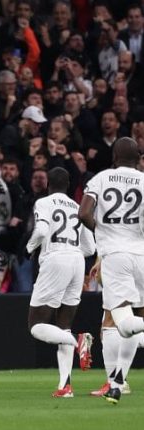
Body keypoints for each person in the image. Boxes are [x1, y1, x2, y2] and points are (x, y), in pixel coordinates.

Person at [79, 137, 144, 404]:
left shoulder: (101, 178)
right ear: (138, 158)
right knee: (131, 322)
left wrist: (104, 233)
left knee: (123, 323)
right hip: (141, 255)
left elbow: (83, 213)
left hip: (116, 257)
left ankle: (116, 381)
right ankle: (117, 383)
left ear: (114, 157)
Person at [25, 167, 96, 398]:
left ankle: (78, 342)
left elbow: (41, 230)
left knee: (36, 325)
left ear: (48, 184)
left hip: (55, 259)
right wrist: (71, 252)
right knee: (63, 326)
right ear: (68, 185)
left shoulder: (44, 202)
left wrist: (29, 248)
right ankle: (65, 386)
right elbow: (90, 248)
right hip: (77, 261)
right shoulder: (77, 207)